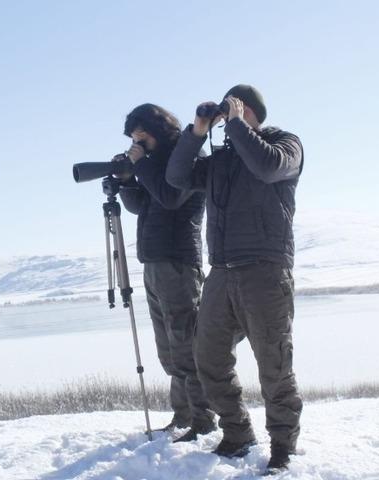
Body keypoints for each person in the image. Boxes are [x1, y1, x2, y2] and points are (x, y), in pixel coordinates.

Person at [166, 85, 304, 473]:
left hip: (265, 271)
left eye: (233, 109)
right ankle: (238, 433)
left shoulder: (285, 144)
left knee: (274, 365)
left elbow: (267, 167)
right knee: (207, 357)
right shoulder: (221, 161)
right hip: (221, 274)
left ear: (250, 110)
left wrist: (238, 124)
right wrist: (195, 132)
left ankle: (282, 446)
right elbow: (177, 177)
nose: (226, 119)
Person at [113, 103, 215, 442]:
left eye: (140, 135)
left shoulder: (184, 159)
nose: (136, 142)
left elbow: (170, 196)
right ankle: (182, 415)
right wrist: (128, 181)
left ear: (155, 130)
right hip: (154, 262)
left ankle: (203, 419)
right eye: (132, 138)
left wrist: (140, 164)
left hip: (177, 261)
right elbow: (143, 204)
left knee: (185, 343)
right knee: (169, 350)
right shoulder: (155, 163)